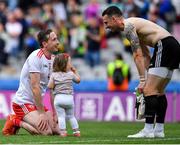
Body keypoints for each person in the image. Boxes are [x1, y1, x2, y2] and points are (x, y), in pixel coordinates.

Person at [102, 6, 180, 138]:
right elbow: (145, 54)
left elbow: (137, 55)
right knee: (159, 91)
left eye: (106, 22)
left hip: (164, 45)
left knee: (149, 90)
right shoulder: (133, 26)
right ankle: (159, 130)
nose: (106, 27)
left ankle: (148, 130)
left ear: (114, 19)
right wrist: (149, 74)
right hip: (172, 46)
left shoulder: (127, 26)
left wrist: (143, 80)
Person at [2, 29, 61, 136]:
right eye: (54, 39)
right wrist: (42, 113)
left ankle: (30, 118)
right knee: (46, 132)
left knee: (57, 131)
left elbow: (53, 90)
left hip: (36, 104)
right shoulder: (36, 57)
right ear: (45, 44)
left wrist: (55, 113)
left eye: (57, 39)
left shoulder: (54, 60)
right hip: (23, 103)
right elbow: (35, 87)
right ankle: (15, 120)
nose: (58, 42)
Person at [48, 53, 81, 137]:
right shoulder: (70, 74)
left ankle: (63, 132)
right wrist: (75, 71)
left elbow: (50, 86)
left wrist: (54, 83)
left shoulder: (54, 75)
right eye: (70, 62)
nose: (71, 64)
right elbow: (78, 80)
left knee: (61, 117)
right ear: (65, 64)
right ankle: (76, 131)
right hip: (69, 98)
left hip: (58, 98)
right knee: (71, 116)